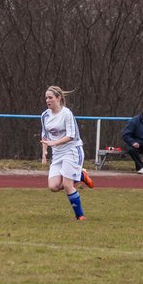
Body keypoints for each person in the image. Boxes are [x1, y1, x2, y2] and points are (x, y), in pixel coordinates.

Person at [39, 86, 91, 220]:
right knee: (54, 186)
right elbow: (44, 137)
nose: (47, 100)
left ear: (58, 98)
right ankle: (79, 175)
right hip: (57, 154)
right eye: (46, 97)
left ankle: (80, 216)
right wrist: (44, 153)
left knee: (67, 185)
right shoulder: (45, 115)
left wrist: (53, 143)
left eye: (50, 97)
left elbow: (71, 136)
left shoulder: (67, 113)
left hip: (72, 150)